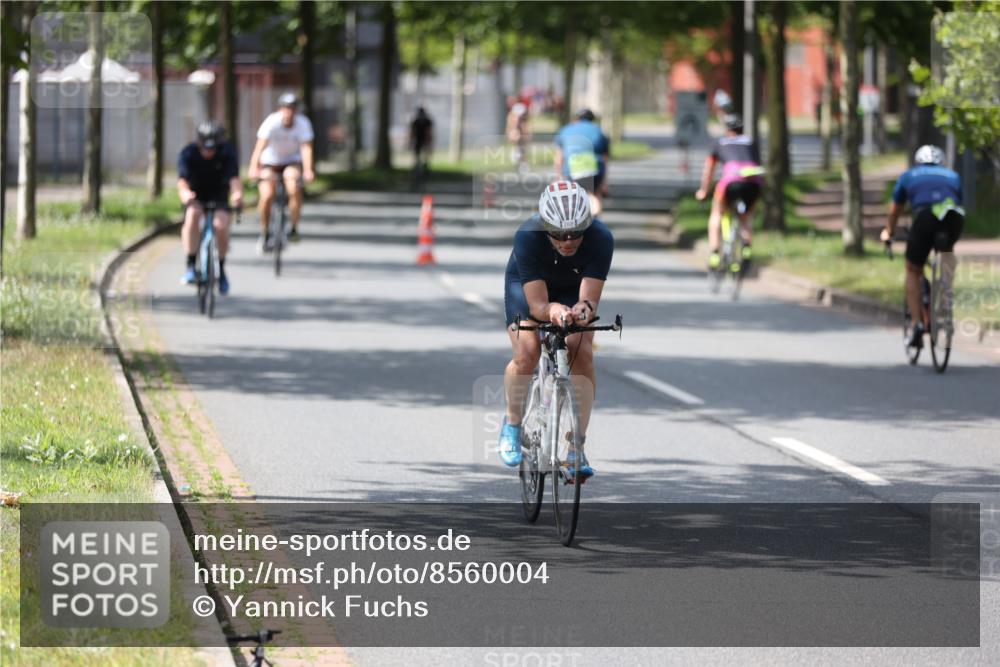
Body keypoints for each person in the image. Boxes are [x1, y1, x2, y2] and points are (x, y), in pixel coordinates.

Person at [499, 180, 614, 480]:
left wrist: (582, 311)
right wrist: (552, 310)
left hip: (572, 288)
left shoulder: (601, 238)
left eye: (575, 234)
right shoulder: (527, 236)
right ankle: (512, 424)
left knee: (582, 351)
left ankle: (577, 446)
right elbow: (537, 306)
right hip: (530, 289)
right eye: (559, 234)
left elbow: (589, 300)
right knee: (527, 351)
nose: (567, 241)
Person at [880, 145, 964, 349]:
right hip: (953, 216)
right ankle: (945, 301)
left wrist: (888, 232)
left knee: (913, 269)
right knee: (946, 254)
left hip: (925, 217)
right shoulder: (953, 176)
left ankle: (917, 324)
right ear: (941, 162)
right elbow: (958, 200)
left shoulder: (909, 176)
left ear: (918, 161)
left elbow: (895, 210)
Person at [177, 121, 242, 294]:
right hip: (196, 195)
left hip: (218, 195)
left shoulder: (227, 152)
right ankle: (191, 265)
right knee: (192, 216)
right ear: (198, 142)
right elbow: (182, 180)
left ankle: (221, 269)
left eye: (212, 148)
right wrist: (185, 194)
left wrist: (237, 194)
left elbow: (234, 179)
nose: (209, 152)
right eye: (205, 148)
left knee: (221, 226)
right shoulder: (188, 153)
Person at [695, 113, 763, 271]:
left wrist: (704, 191)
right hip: (753, 182)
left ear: (726, 129)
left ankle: (714, 254)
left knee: (717, 213)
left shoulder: (719, 142)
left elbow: (709, 170)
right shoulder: (750, 142)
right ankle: (746, 250)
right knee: (745, 217)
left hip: (731, 180)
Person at [247, 92, 315, 251]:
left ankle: (294, 226)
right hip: (270, 163)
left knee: (294, 187)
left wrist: (308, 170)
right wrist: (253, 167)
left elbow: (306, 149)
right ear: (281, 109)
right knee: (267, 195)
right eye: (286, 108)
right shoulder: (272, 122)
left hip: (291, 162)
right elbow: (260, 147)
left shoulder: (303, 123)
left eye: (292, 108)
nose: (289, 112)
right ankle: (264, 232)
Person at [554, 109, 610, 215]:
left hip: (572, 166)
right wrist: (604, 183)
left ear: (576, 119)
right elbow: (605, 158)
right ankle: (595, 220)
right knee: (594, 194)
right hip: (595, 165)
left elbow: (559, 158)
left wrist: (559, 177)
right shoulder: (599, 131)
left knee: (574, 195)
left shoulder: (565, 130)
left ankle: (576, 219)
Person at [409, 107, 434, 182]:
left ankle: (420, 171)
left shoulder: (417, 121)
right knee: (421, 157)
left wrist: (410, 142)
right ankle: (421, 171)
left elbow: (413, 133)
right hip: (421, 141)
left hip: (420, 141)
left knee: (420, 157)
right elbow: (428, 133)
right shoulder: (425, 121)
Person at [506, 102, 531, 173]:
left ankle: (523, 162)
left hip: (522, 140)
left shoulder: (524, 122)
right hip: (516, 138)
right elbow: (509, 131)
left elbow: (527, 133)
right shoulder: (511, 119)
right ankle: (518, 155)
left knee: (523, 150)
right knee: (515, 135)